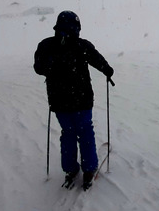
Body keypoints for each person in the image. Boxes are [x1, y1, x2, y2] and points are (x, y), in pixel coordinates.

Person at [34, 11, 114, 190]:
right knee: (85, 131)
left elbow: (38, 68)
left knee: (68, 132)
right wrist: (108, 70)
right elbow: (97, 60)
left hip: (59, 101)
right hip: (82, 100)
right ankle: (89, 169)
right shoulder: (81, 45)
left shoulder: (46, 45)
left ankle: (70, 169)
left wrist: (52, 63)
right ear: (77, 27)